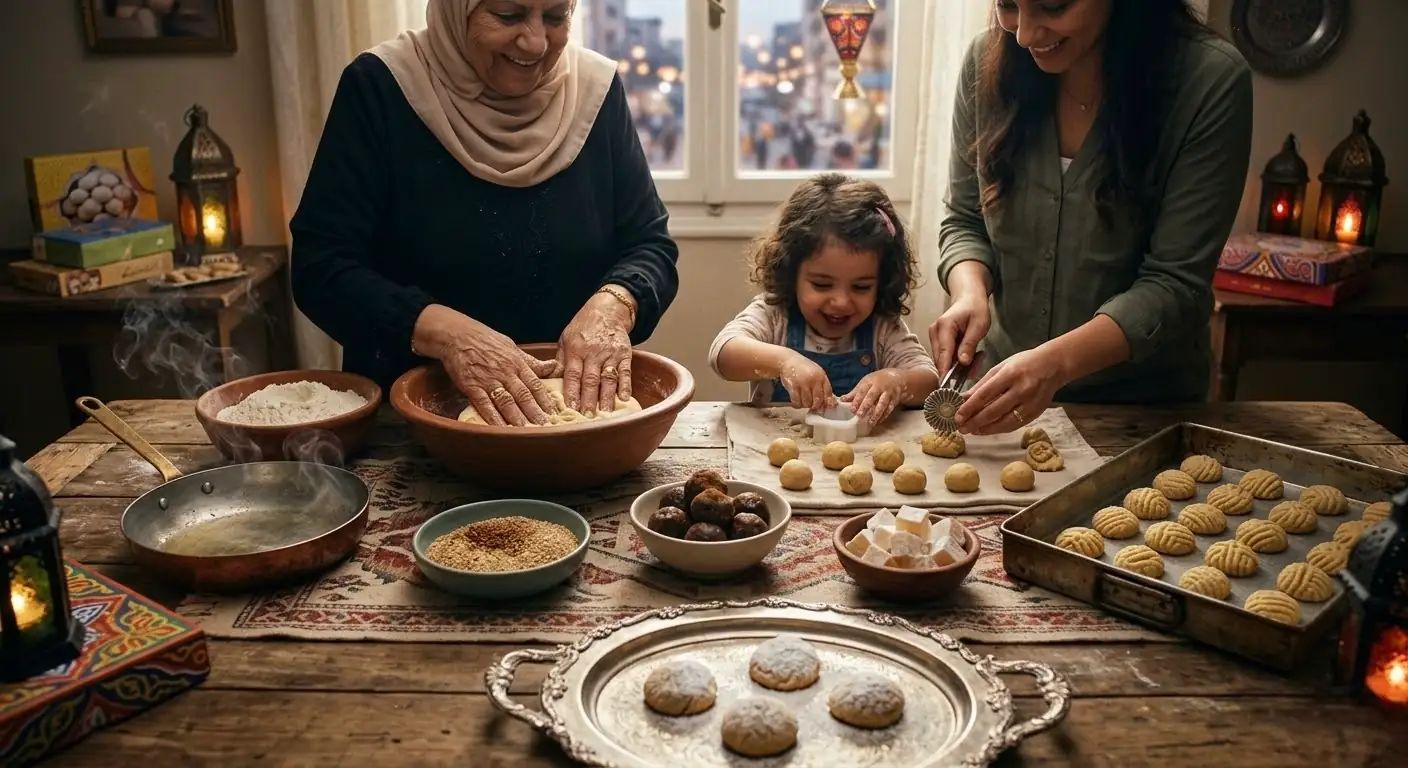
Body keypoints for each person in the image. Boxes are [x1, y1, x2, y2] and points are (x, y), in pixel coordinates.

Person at [289, 0, 679, 427]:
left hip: (578, 430)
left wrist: (613, 305)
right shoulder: (380, 88)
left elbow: (650, 245)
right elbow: (320, 267)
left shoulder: (596, 89)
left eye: (555, 17)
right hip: (412, 432)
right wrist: (449, 336)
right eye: (509, 16)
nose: (535, 42)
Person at [930, 0, 1253, 436]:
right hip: (1003, 410)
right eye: (1007, 4)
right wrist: (969, 292)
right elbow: (966, 219)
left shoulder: (1209, 81)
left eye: (1052, 6)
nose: (1024, 34)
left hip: (1143, 416)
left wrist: (1057, 363)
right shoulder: (986, 63)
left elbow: (1175, 283)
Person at [710, 174, 939, 427]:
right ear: (791, 271)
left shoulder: (883, 328)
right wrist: (786, 362)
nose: (841, 301)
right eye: (822, 284)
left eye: (861, 287)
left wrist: (896, 380)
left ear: (883, 282)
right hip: (774, 456)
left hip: (861, 459)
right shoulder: (776, 315)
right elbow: (722, 355)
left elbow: (929, 381)